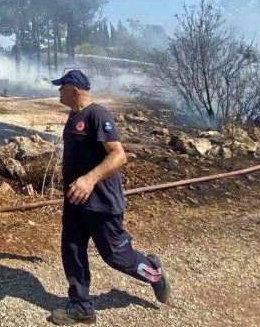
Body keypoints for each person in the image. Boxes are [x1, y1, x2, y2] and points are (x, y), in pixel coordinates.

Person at [48, 69, 170, 325]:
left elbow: (118, 155)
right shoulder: (73, 116)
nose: (58, 90)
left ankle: (153, 272)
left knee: (116, 256)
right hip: (76, 201)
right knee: (72, 250)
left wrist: (89, 179)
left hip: (101, 203)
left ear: (74, 90)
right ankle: (81, 307)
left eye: (62, 87)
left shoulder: (97, 115)